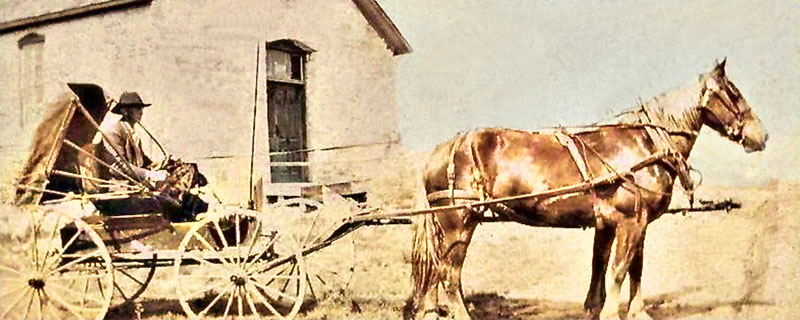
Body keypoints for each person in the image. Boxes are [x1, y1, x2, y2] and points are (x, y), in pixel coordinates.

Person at [99, 91, 166, 185]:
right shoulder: (114, 132)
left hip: (135, 182)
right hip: (119, 186)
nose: (141, 112)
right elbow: (121, 166)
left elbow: (142, 161)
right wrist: (149, 174)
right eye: (137, 108)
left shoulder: (132, 132)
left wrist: (159, 165)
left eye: (141, 108)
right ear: (125, 111)